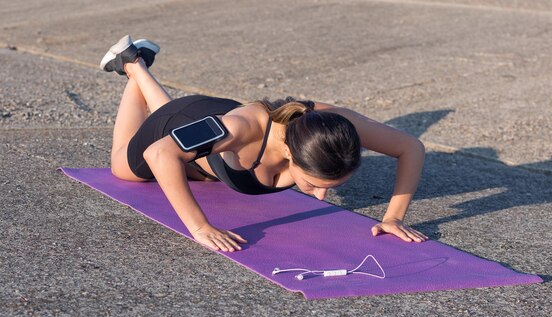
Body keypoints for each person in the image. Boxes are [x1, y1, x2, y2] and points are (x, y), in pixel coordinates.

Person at [101, 35, 428, 252]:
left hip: (207, 136)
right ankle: (133, 65)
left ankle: (138, 63)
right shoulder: (238, 130)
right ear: (289, 152)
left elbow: (410, 147)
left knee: (193, 163)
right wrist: (200, 227)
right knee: (124, 167)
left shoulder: (337, 126)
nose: (321, 195)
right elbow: (159, 152)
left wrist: (394, 217)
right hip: (186, 119)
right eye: (313, 184)